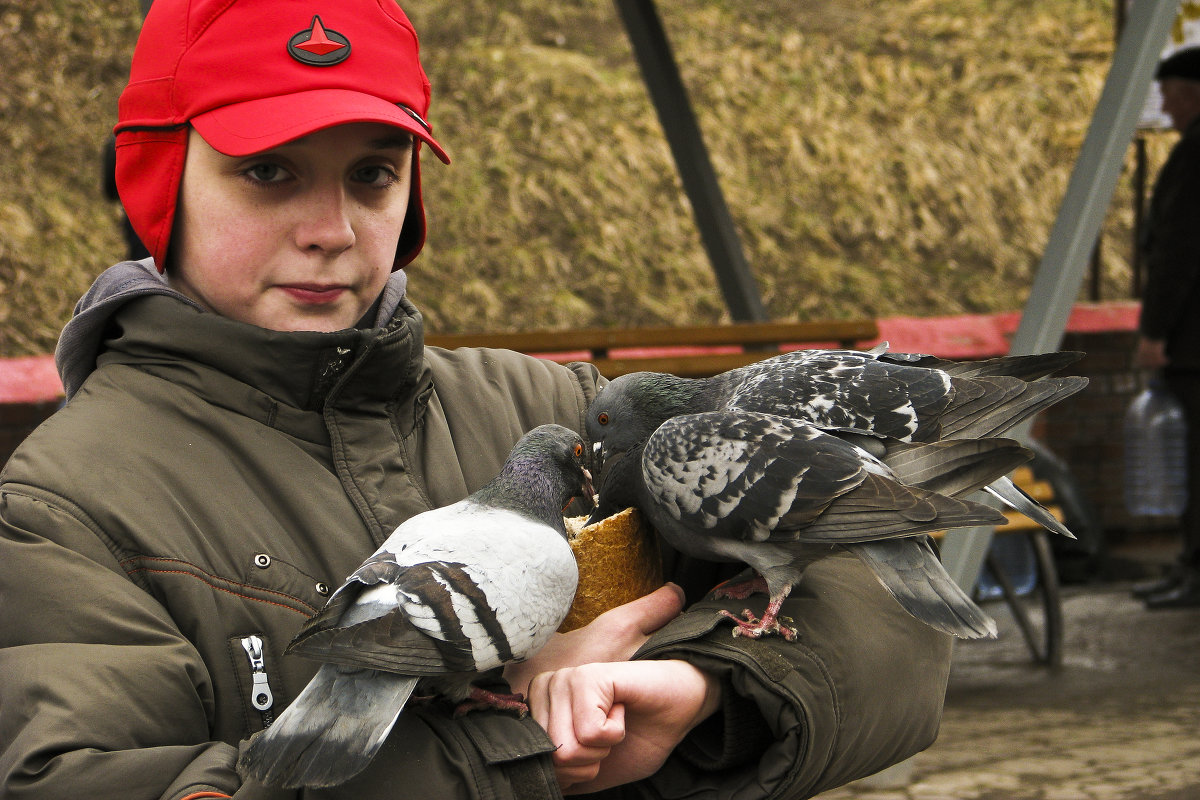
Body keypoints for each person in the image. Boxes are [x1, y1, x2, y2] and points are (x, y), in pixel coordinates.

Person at [0, 1, 952, 797]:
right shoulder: (65, 506)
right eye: (267, 172)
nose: (333, 230)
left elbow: (890, 608)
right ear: (159, 183)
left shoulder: (566, 412)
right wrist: (521, 751)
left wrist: (704, 687)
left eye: (372, 174)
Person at [1134, 46, 1200, 610]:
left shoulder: (1196, 154)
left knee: (1195, 463)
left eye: (1171, 93)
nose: (1166, 106)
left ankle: (1194, 570)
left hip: (1193, 342)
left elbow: (1179, 253)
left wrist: (1155, 332)